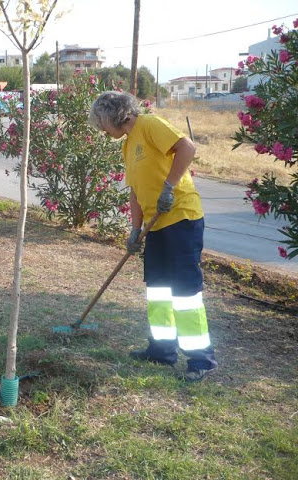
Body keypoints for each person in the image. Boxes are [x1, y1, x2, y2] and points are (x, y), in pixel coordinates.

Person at [88, 91, 218, 382]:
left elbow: (187, 147)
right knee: (158, 290)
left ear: (112, 114)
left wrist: (169, 187)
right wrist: (135, 230)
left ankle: (201, 359)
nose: (101, 130)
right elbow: (135, 191)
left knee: (185, 292)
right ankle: (162, 350)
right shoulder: (126, 146)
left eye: (101, 123)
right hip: (155, 226)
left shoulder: (148, 124)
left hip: (181, 218)